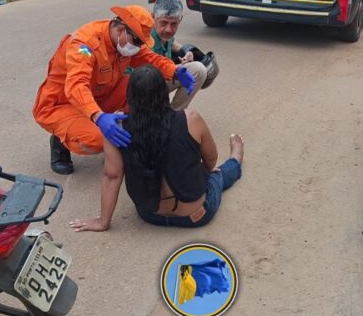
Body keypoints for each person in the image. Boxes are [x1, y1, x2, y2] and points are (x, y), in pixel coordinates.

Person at [69, 65, 243, 232]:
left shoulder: (116, 128)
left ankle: (227, 164)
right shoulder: (190, 118)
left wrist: (103, 222)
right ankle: (236, 157)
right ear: (164, 92)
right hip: (195, 215)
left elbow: (112, 176)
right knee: (217, 175)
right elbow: (211, 159)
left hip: (150, 215)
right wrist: (204, 174)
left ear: (129, 96)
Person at [32, 6, 196, 175]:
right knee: (97, 138)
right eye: (138, 42)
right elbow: (76, 86)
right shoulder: (83, 45)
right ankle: (60, 141)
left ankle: (124, 138)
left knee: (143, 87)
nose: (139, 47)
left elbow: (148, 58)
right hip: (63, 104)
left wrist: (173, 70)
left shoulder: (127, 40)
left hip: (100, 95)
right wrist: (98, 116)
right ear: (120, 30)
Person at [151, 0, 208, 110]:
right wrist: (175, 67)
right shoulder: (145, 37)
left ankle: (173, 117)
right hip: (140, 89)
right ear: (153, 18)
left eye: (174, 24)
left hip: (158, 83)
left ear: (180, 20)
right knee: (195, 69)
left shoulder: (164, 35)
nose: (168, 29)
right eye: (163, 23)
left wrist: (187, 52)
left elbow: (173, 43)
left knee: (198, 70)